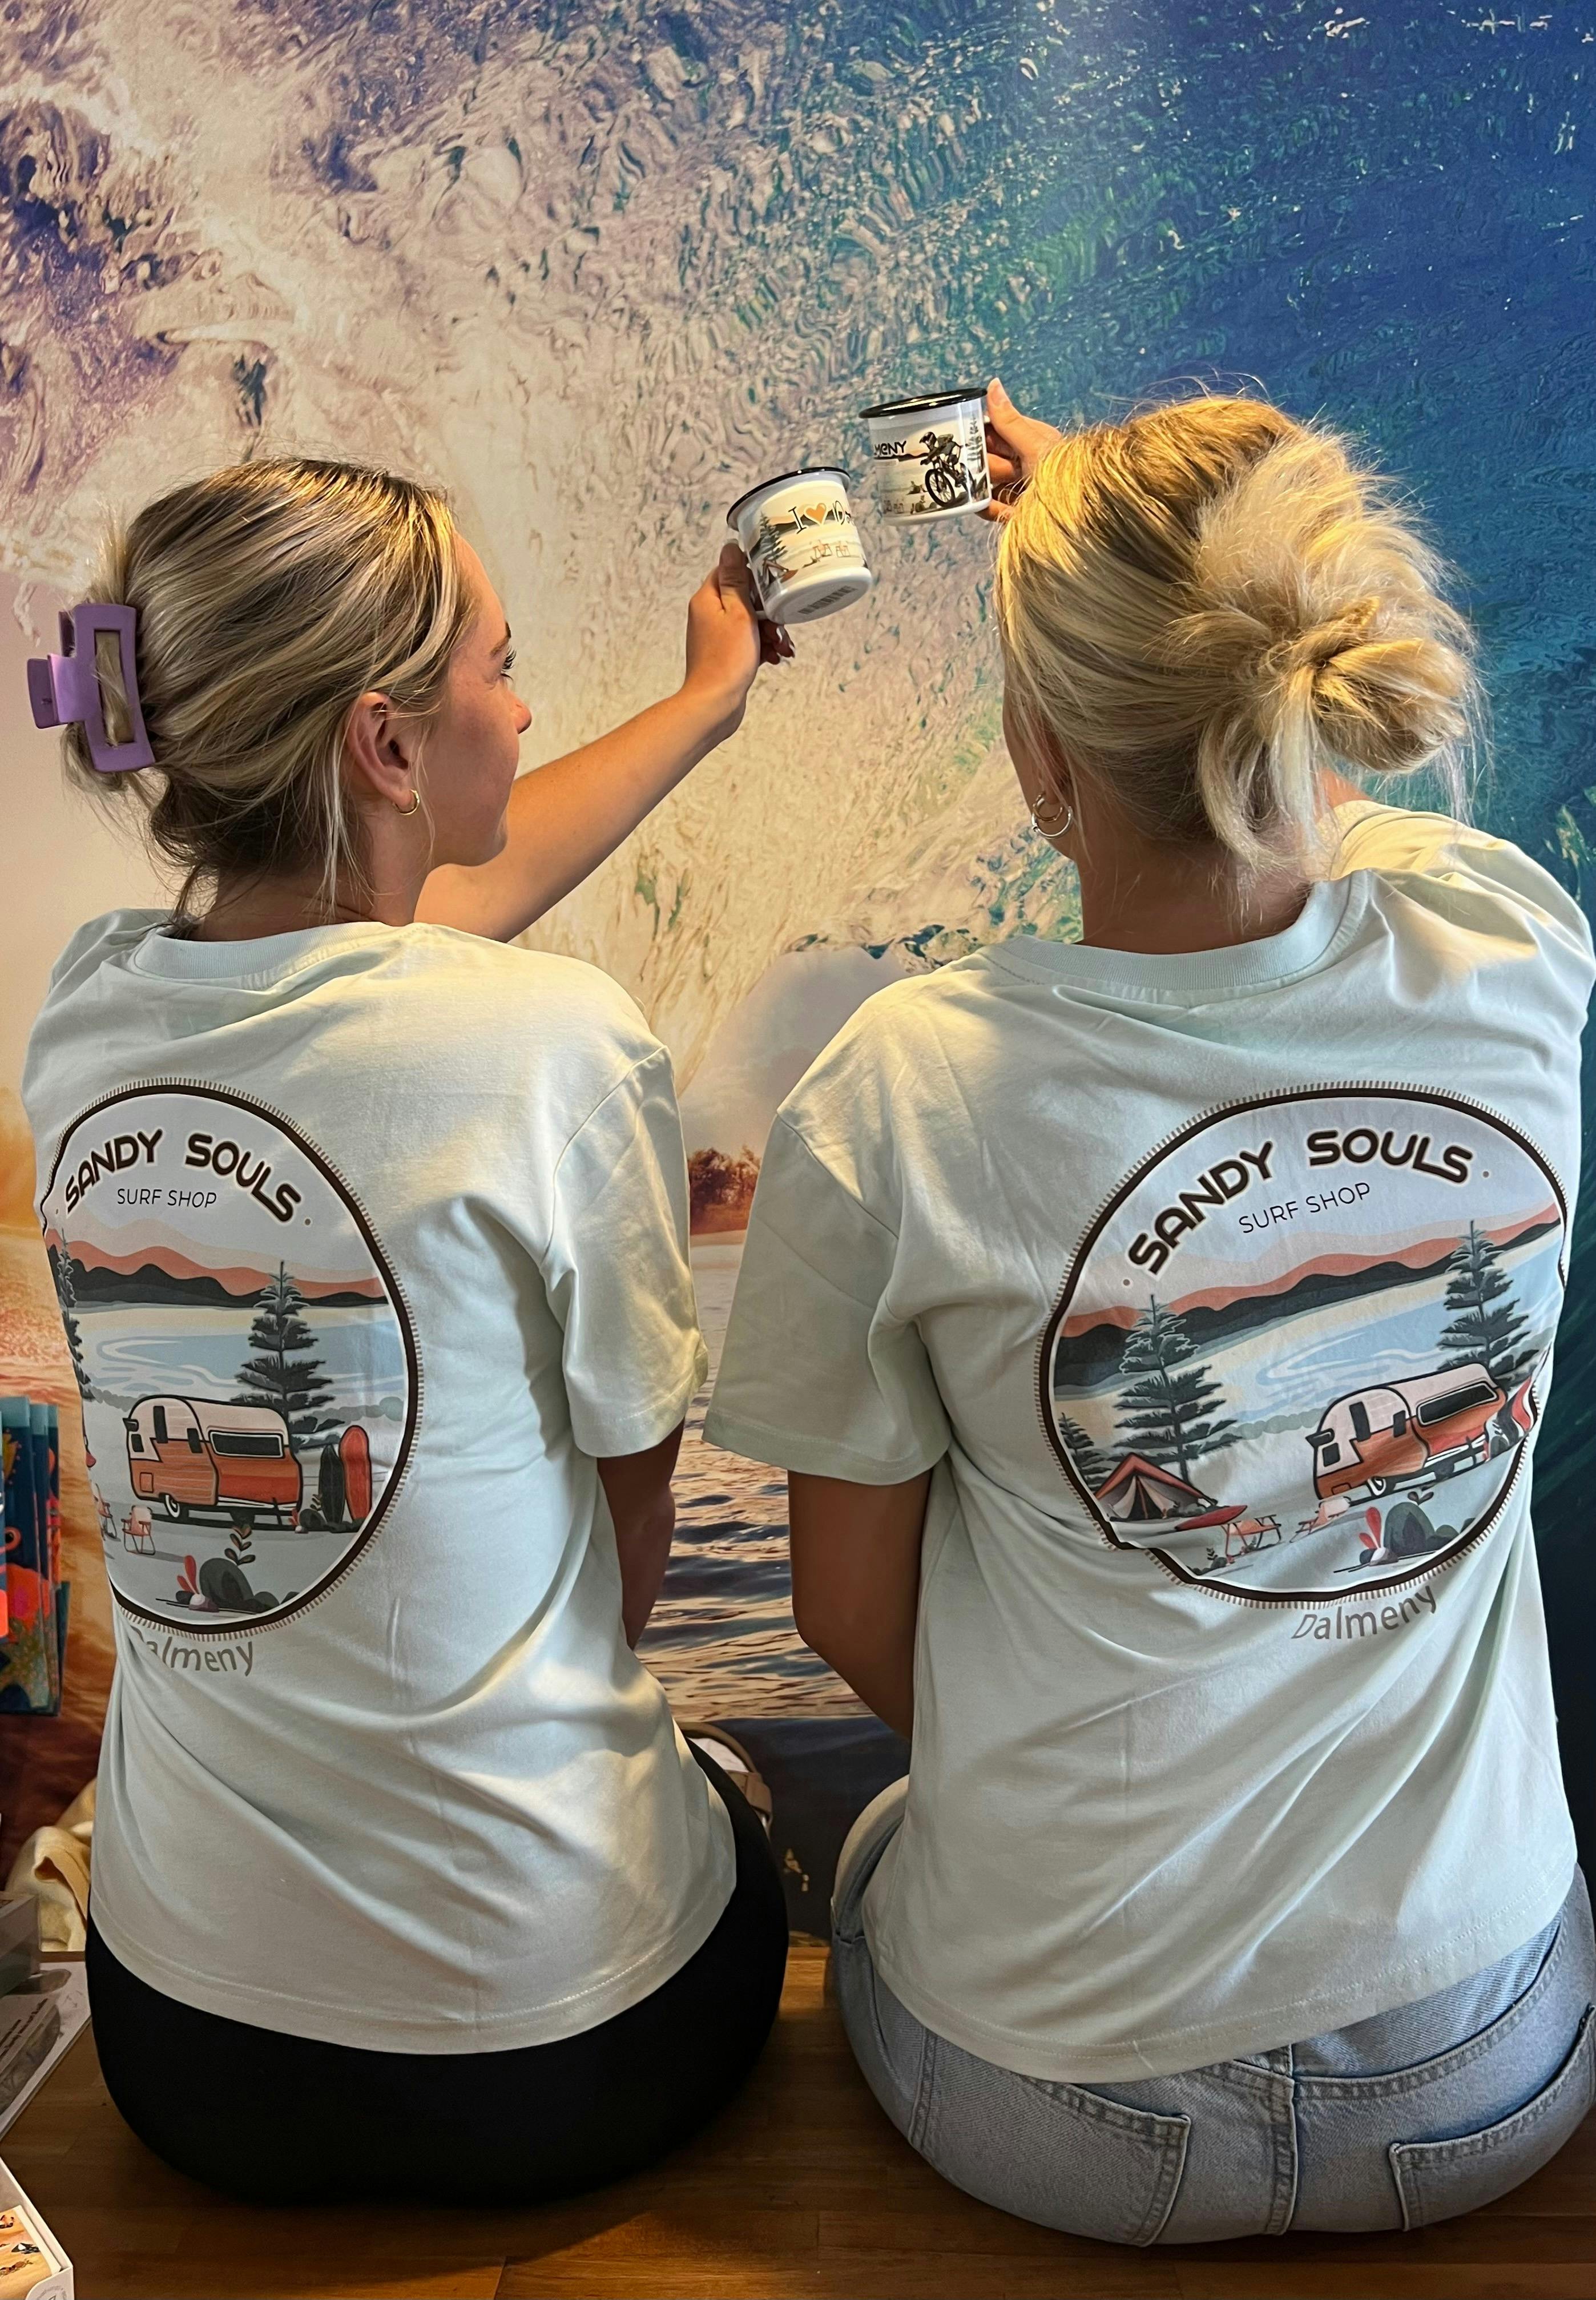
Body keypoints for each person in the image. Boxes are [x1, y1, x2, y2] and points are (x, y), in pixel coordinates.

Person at [706, 384, 1596, 2243]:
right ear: (1307, 689)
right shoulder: (1513, 950)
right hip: (1482, 2063)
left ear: (1039, 762)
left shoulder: (901, 1090)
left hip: (1070, 2112)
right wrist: (1124, 523)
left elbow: (847, 1616)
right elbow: (1318, 799)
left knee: (875, 1847)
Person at [22, 458, 789, 2203]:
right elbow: (626, 1546)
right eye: (503, 669)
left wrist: (702, 708)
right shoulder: (555, 1045)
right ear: (385, 746)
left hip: (186, 2058)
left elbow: (374, 949)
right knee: (728, 1801)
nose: (524, 712)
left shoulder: (86, 1023)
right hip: (558, 2060)